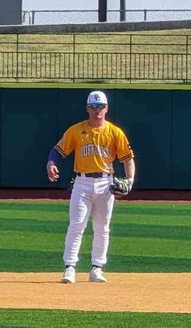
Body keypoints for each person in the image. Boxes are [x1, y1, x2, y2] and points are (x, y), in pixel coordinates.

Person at [45, 90, 136, 284]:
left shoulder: (114, 132)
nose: (97, 110)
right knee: (77, 224)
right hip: (82, 182)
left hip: (106, 183)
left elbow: (128, 159)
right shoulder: (76, 130)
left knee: (102, 227)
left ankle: (97, 268)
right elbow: (57, 151)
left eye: (101, 106)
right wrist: (51, 163)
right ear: (87, 108)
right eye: (94, 107)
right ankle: (69, 268)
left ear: (106, 108)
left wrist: (130, 180)